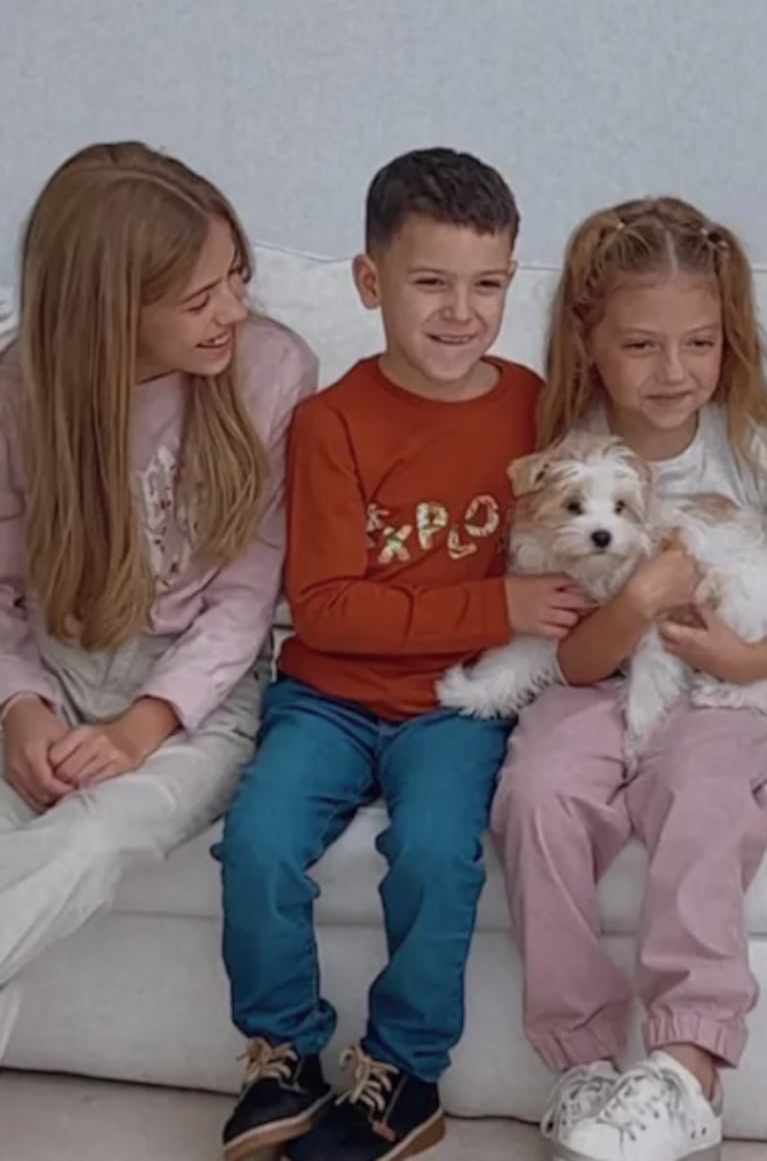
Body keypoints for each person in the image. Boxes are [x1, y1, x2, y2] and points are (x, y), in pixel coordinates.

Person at [215, 147, 590, 1161]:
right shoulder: (329, 422)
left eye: (487, 284)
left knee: (433, 853)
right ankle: (281, 1052)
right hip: (327, 698)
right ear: (369, 281)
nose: (460, 311)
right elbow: (329, 610)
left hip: (456, 705)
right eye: (430, 282)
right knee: (254, 841)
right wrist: (495, 600)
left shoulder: (532, 403)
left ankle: (401, 1073)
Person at [0, 141, 316, 1061]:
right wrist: (19, 708)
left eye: (236, 278)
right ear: (112, 313)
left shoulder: (270, 372)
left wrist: (145, 725)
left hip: (200, 702)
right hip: (52, 671)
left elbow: (248, 599)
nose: (233, 310)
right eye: (199, 298)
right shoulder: (20, 390)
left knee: (91, 842)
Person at [491, 195, 767, 1161]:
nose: (676, 372)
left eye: (700, 343)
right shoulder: (568, 457)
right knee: (536, 790)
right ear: (590, 340)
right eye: (643, 346)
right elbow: (568, 656)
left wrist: (746, 660)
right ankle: (583, 1066)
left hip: (723, 685)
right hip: (595, 680)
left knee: (702, 793)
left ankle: (686, 1071)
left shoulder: (751, 443)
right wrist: (640, 598)